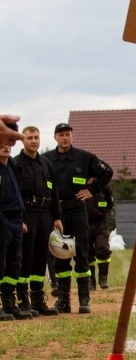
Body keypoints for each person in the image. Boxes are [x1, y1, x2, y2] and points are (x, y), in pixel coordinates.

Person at [43, 123, 113, 314]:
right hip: (57, 214)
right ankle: (64, 300)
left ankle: (84, 299)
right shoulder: (46, 160)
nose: (65, 138)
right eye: (61, 135)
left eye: (68, 134)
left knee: (82, 254)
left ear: (72, 137)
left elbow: (107, 172)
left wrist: (92, 190)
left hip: (78, 212)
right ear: (55, 137)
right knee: (60, 256)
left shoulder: (85, 158)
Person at [14, 126, 62, 316]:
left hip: (45, 214)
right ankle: (22, 300)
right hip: (27, 214)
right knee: (26, 257)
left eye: (36, 137)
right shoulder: (16, 164)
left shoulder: (46, 164)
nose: (34, 141)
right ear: (22, 141)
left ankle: (37, 300)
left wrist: (56, 216)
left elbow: (54, 191)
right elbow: (14, 195)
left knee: (41, 258)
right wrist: (18, 218)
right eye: (29, 138)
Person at [0, 122, 32, 319]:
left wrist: (20, 220)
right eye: (2, 142)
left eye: (8, 143)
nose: (6, 146)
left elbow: (17, 195)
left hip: (16, 220)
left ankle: (9, 303)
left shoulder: (12, 165)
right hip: (2, 220)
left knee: (14, 263)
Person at [86, 182, 114, 289]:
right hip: (85, 223)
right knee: (87, 253)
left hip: (101, 223)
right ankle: (90, 280)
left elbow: (110, 202)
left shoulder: (104, 185)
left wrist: (103, 212)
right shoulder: (81, 183)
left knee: (102, 247)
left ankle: (103, 278)